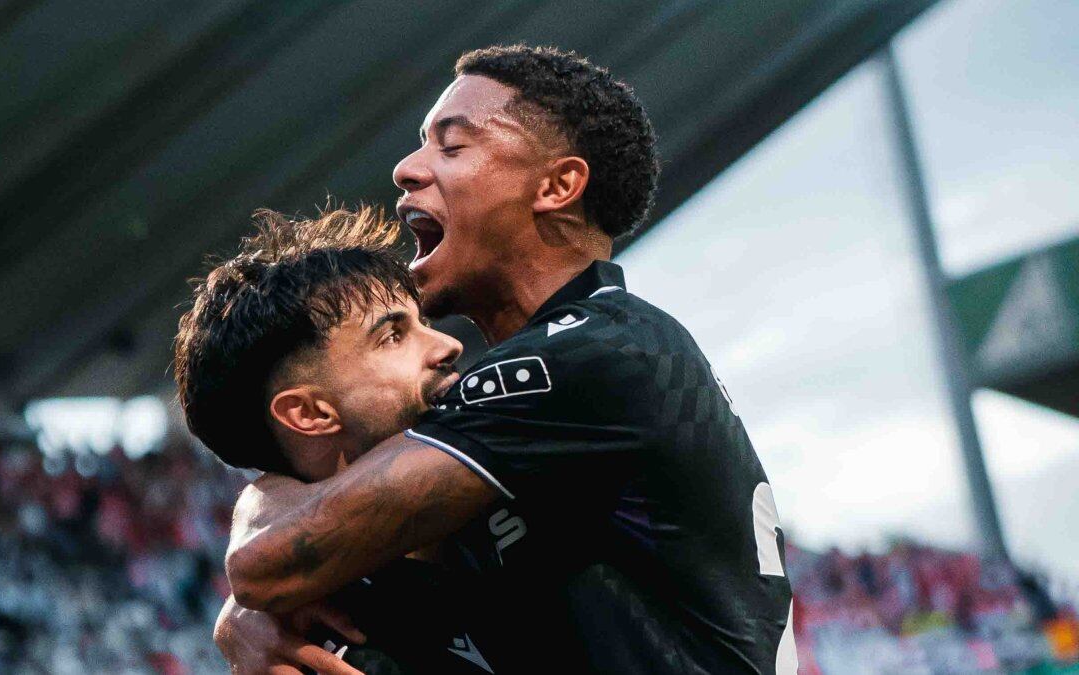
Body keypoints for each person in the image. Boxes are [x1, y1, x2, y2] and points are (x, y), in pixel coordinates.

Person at [220, 45, 796, 674]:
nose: (407, 169)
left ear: (556, 186)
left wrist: (258, 548)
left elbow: (267, 565)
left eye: (452, 146)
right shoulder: (542, 398)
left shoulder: (594, 352)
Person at [174, 205, 500, 674]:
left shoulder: (512, 471)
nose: (448, 346)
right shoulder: (326, 646)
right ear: (309, 413)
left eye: (422, 323)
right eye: (393, 336)